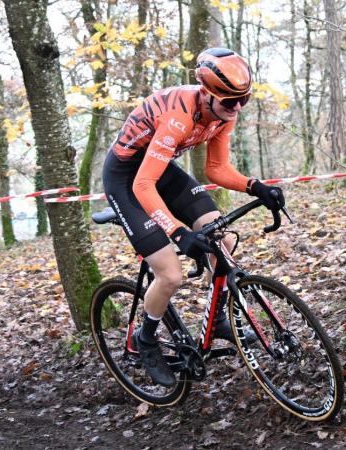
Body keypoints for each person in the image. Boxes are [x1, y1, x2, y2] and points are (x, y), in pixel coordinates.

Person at [102, 47, 284, 387]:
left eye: (244, 100)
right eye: (231, 102)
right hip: (127, 179)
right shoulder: (179, 117)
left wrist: (255, 186)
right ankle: (146, 339)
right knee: (170, 275)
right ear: (208, 93)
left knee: (224, 241)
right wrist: (178, 231)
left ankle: (215, 322)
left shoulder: (223, 111)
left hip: (159, 171)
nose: (237, 108)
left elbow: (215, 168)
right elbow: (143, 184)